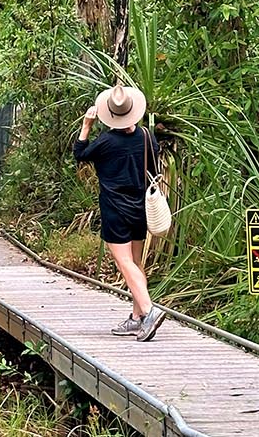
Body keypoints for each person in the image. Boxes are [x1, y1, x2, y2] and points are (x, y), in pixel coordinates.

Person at [74, 82, 165, 341]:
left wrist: (86, 126)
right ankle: (136, 319)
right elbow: (154, 161)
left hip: (115, 209)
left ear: (110, 114)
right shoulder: (147, 136)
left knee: (124, 263)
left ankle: (148, 311)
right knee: (136, 263)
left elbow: (80, 154)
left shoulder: (105, 142)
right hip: (140, 208)